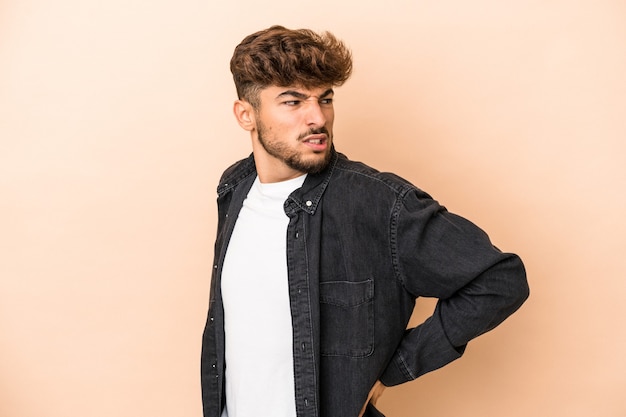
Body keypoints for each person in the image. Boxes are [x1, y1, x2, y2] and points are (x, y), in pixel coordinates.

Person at [201, 25, 529, 417]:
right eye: (292, 102)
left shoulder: (379, 204)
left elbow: (499, 279)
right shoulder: (233, 189)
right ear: (246, 115)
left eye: (324, 99)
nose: (317, 118)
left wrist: (397, 368)